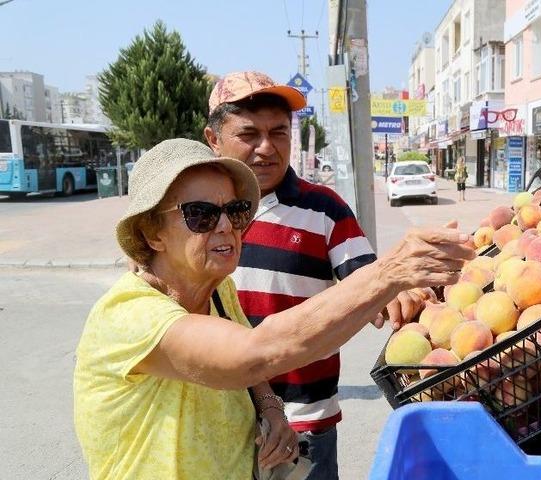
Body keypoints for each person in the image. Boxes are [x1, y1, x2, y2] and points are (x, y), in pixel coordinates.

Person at [73, 138, 473, 480]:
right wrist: (389, 272)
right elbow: (252, 354)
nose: (226, 226)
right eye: (201, 215)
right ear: (151, 233)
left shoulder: (217, 291)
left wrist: (270, 407)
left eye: (235, 211)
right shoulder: (129, 315)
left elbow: (252, 363)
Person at [203, 71, 432, 479]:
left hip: (303, 421)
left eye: (279, 133)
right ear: (213, 139)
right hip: (219, 418)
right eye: (249, 134)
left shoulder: (324, 208)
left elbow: (369, 279)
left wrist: (397, 290)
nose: (266, 148)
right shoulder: (198, 212)